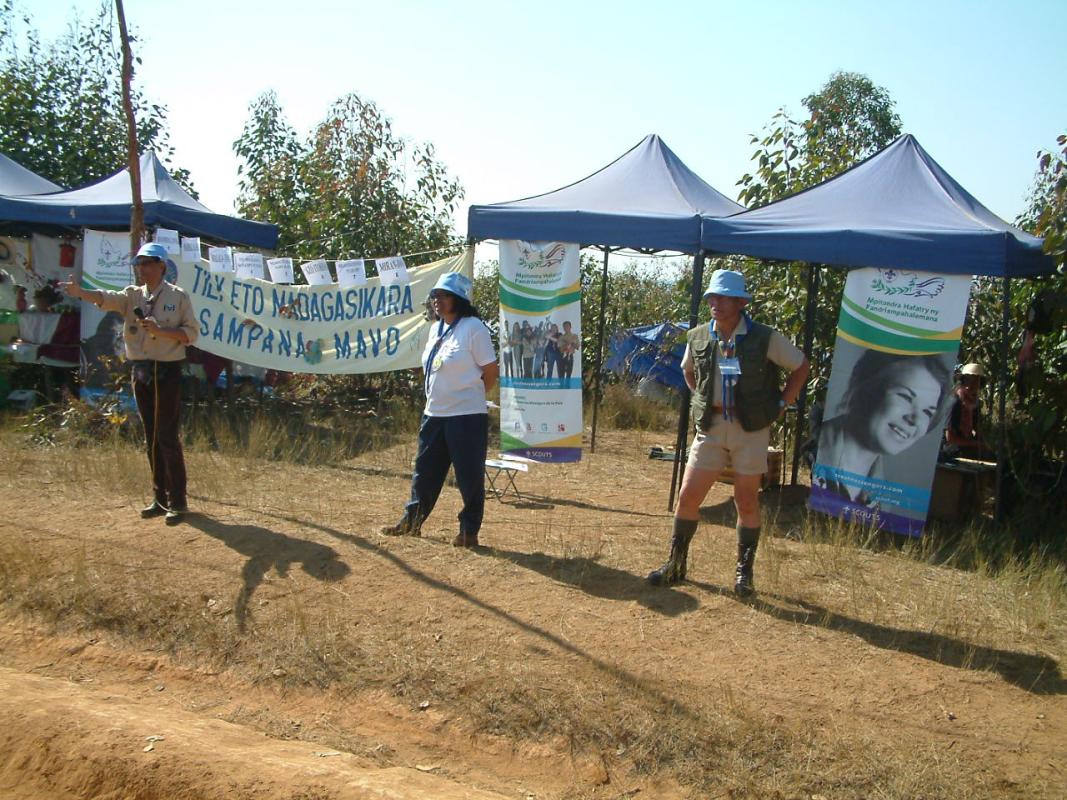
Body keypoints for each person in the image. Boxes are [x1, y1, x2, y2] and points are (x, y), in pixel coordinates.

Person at [647, 269, 809, 596]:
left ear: (740, 302)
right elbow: (688, 372)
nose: (714, 303)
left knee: (746, 500)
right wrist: (703, 401)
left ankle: (743, 575)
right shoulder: (698, 336)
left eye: (721, 297)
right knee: (688, 496)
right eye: (711, 297)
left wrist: (781, 404)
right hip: (712, 427)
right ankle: (676, 565)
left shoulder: (765, 337)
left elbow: (802, 366)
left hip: (750, 429)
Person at [62, 242, 198, 524]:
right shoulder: (132, 296)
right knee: (150, 435)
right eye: (140, 264)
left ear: (161, 265)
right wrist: (79, 293)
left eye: (148, 263)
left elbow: (191, 334)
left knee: (167, 435)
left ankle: (178, 501)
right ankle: (159, 499)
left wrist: (161, 330)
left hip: (167, 369)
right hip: (141, 368)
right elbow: (105, 298)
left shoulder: (178, 296)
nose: (143, 269)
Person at [381, 272, 499, 547]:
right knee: (425, 472)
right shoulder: (436, 329)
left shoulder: (473, 328)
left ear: (458, 299)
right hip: (434, 414)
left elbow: (491, 372)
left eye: (444, 296)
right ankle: (412, 523)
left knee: (469, 476)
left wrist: (473, 396)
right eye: (435, 296)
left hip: (466, 416)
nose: (437, 301)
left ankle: (469, 532)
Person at [815, 351, 953, 505]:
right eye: (905, 397)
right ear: (868, 389)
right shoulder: (813, 456)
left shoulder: (882, 499)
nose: (915, 419)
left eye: (927, 412)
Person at [944, 362, 988, 457]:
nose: (970, 386)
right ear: (962, 382)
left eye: (975, 382)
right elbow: (950, 438)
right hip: (949, 450)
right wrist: (975, 444)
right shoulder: (954, 401)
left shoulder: (974, 403)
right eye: (967, 381)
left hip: (965, 446)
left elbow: (977, 428)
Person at [558, 320, 579, 386]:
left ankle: (567, 387)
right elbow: (560, 349)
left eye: (567, 326)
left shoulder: (575, 336)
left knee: (569, 373)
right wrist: (566, 344)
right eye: (564, 326)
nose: (566, 328)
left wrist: (572, 343)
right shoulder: (561, 337)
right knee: (561, 374)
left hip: (570, 356)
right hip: (562, 356)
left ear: (570, 327)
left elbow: (577, 346)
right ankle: (561, 387)